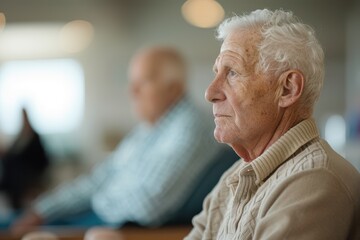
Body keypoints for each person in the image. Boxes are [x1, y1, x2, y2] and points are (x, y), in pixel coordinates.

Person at [185, 9, 360, 240]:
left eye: (233, 73)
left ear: (288, 89)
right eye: (217, 72)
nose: (210, 92)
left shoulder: (314, 180)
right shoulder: (236, 175)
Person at [11, 47, 225, 235]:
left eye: (143, 82)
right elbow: (100, 178)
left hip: (115, 226)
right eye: (131, 82)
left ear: (174, 89)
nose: (131, 91)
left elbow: (149, 206)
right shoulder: (150, 129)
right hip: (104, 217)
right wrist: (43, 209)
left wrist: (99, 198)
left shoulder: (191, 128)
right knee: (14, 221)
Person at [0, 108, 49, 210]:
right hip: (17, 171)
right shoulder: (20, 135)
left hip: (30, 170)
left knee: (15, 171)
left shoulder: (34, 136)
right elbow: (12, 152)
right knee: (9, 164)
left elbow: (39, 158)